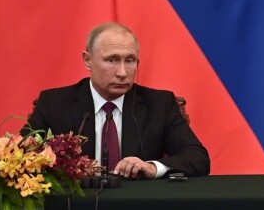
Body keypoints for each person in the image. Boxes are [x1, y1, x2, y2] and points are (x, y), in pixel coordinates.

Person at [27, 22, 210, 178]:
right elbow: (21, 156)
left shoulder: (160, 104)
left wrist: (153, 167)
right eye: (112, 60)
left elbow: (197, 158)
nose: (122, 72)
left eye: (130, 60)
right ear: (87, 60)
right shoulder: (54, 103)